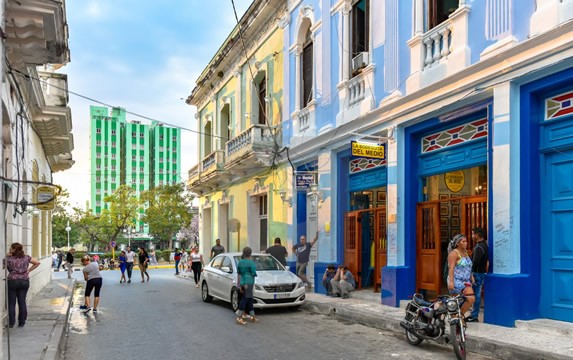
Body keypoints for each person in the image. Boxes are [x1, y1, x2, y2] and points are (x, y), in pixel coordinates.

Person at [3, 242, 40, 327]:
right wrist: (28, 270)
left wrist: (6, 256)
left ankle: (11, 323)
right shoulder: (26, 257)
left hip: (12, 281)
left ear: (13, 249)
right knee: (22, 302)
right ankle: (21, 322)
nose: (9, 249)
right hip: (24, 281)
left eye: (10, 248)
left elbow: (3, 266)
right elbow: (37, 263)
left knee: (11, 303)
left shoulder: (9, 258)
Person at [446, 234, 476, 320]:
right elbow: (451, 268)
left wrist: (471, 276)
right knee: (465, 299)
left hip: (466, 280)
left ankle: (459, 317)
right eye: (463, 241)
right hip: (456, 280)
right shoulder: (454, 254)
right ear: (457, 243)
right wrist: (451, 282)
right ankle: (457, 318)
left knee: (466, 299)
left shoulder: (465, 252)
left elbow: (468, 266)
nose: (466, 243)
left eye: (466, 241)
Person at [468, 227, 488, 323]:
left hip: (477, 274)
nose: (472, 236)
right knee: (477, 294)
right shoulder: (484, 245)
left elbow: (475, 262)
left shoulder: (479, 247)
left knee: (475, 295)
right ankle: (474, 314)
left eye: (472, 234)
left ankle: (474, 315)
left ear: (477, 235)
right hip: (481, 273)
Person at [235, 246, 257, 325]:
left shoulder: (240, 262)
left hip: (243, 282)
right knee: (245, 299)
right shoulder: (251, 262)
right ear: (250, 254)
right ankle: (239, 317)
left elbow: (239, 274)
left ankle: (252, 316)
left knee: (249, 299)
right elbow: (254, 273)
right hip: (249, 283)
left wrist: (240, 285)